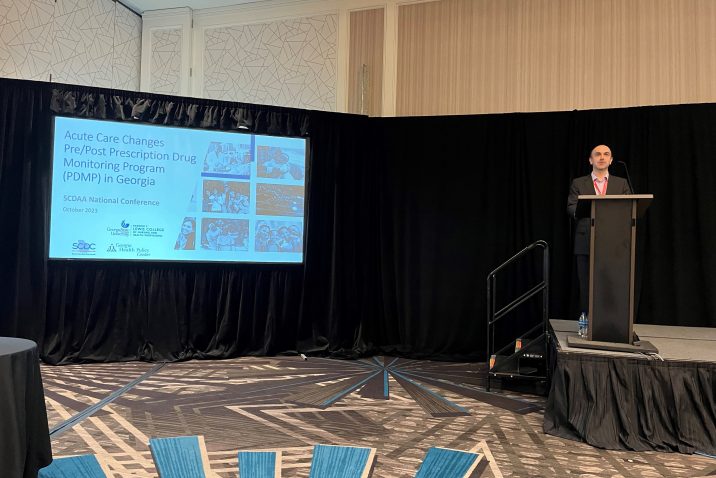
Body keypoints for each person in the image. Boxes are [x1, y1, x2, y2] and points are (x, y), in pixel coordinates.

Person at [567, 145, 632, 315]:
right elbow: (571, 208)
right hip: (586, 241)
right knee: (587, 284)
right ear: (591, 160)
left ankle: (612, 323)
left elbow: (628, 209)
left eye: (606, 154)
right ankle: (587, 323)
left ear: (610, 160)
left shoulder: (622, 183)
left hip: (614, 244)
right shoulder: (579, 183)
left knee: (612, 284)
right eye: (597, 154)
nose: (601, 157)